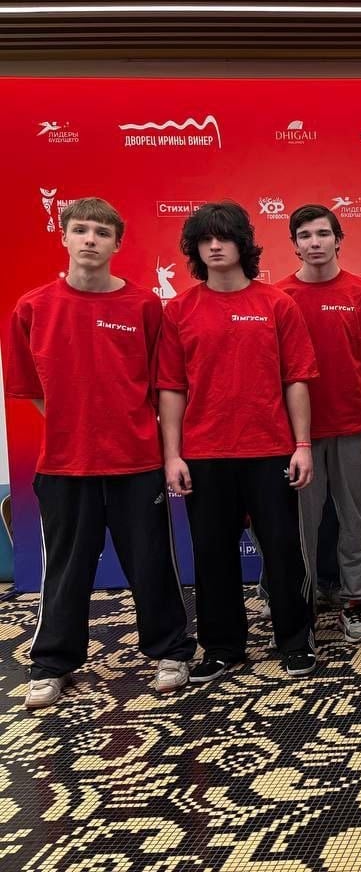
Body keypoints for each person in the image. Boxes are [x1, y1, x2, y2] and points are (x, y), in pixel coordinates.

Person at [5, 197, 195, 709]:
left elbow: (163, 385)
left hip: (137, 462)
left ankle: (170, 651)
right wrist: (76, 425)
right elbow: (33, 389)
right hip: (65, 466)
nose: (90, 239)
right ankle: (51, 664)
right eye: (81, 230)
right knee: (65, 570)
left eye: (102, 233)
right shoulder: (32, 307)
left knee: (152, 563)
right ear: (64, 237)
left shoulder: (144, 306)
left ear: (117, 244)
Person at [157, 201, 319, 681]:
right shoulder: (179, 310)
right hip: (204, 454)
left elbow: (296, 379)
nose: (214, 246)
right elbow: (171, 388)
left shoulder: (277, 304)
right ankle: (223, 646)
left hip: (270, 450)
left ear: (242, 245)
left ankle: (296, 641)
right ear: (194, 250)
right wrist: (172, 455)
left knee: (284, 549)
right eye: (205, 239)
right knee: (212, 554)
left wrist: (302, 445)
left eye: (223, 237)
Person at [280, 204, 361, 642]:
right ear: (294, 244)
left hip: (354, 426)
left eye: (323, 234)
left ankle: (354, 603)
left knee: (354, 521)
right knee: (300, 525)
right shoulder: (279, 297)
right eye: (305, 235)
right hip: (298, 435)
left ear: (338, 240)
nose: (315, 243)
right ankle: (299, 603)